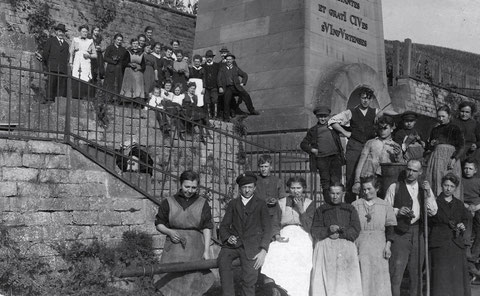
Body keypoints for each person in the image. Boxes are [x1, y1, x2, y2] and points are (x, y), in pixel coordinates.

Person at [154, 170, 215, 296]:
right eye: (187, 186)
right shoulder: (168, 202)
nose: (190, 190)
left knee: (193, 282)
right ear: (181, 184)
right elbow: (159, 224)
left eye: (193, 187)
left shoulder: (203, 203)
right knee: (171, 280)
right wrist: (169, 232)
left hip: (195, 248)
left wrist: (206, 250)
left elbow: (207, 227)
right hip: (173, 250)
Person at [384, 159, 438, 296]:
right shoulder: (394, 187)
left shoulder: (424, 188)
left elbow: (433, 211)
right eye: (408, 169)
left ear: (420, 172)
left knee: (416, 274)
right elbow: (384, 210)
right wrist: (397, 211)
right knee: (396, 273)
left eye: (414, 171)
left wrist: (429, 194)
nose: (410, 173)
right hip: (400, 233)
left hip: (418, 232)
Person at [218, 173, 273, 296]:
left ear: (254, 188)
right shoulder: (233, 204)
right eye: (244, 187)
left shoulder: (261, 204)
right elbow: (224, 226)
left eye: (249, 187)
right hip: (233, 245)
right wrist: (228, 237)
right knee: (223, 260)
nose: (247, 190)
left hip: (252, 247)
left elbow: (267, 229)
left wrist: (263, 250)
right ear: (239, 188)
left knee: (249, 281)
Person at [262, 176, 315, 296]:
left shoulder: (309, 203)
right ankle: (277, 285)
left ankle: (298, 291)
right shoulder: (281, 203)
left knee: (302, 253)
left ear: (304, 189)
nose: (296, 191)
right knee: (276, 249)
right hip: (285, 232)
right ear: (288, 189)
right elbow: (275, 223)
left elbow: (310, 227)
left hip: (303, 233)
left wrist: (301, 210)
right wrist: (276, 235)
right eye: (292, 188)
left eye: (299, 188)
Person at [310, 182, 362, 296]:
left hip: (345, 248)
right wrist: (328, 230)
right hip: (326, 249)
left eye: (338, 193)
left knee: (345, 281)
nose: (335, 196)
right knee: (327, 279)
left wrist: (341, 232)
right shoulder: (321, 209)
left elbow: (356, 229)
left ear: (343, 193)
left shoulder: (350, 209)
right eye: (332, 193)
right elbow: (315, 230)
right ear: (328, 193)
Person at [328, 89, 379, 203]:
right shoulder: (351, 112)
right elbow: (332, 121)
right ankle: (350, 206)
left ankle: (367, 204)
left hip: (370, 148)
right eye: (363, 97)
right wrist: (345, 133)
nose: (365, 100)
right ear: (360, 98)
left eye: (368, 98)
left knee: (369, 176)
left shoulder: (375, 112)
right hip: (354, 147)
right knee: (351, 177)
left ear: (371, 99)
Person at [352, 175, 397, 296]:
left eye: (369, 189)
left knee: (380, 277)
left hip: (379, 245)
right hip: (361, 244)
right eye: (364, 189)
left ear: (377, 188)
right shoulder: (355, 205)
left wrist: (387, 246)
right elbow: (351, 228)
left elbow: (390, 228)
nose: (366, 192)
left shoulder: (385, 205)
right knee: (363, 275)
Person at [429, 173, 471, 296]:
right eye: (446, 185)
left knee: (456, 277)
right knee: (441, 277)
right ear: (441, 186)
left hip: (455, 243)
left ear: (455, 188)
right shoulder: (434, 202)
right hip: (439, 243)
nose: (448, 188)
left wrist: (462, 225)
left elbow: (464, 219)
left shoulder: (459, 204)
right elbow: (430, 221)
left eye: (451, 186)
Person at [300, 105, 344, 202]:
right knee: (326, 183)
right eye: (320, 117)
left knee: (336, 182)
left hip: (335, 158)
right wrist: (312, 150)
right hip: (322, 159)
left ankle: (337, 203)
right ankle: (328, 204)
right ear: (317, 117)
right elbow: (303, 144)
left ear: (328, 116)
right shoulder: (313, 130)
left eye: (325, 116)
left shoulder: (334, 126)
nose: (323, 119)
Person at [352, 115, 403, 196]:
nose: (382, 131)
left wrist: (398, 155)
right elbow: (361, 162)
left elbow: (400, 167)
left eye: (385, 128)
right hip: (368, 179)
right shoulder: (370, 143)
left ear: (392, 129)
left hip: (385, 181)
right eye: (380, 128)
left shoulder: (396, 146)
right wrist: (357, 181)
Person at [425, 105, 465, 198]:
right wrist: (432, 144)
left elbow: (461, 145)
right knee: (436, 181)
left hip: (450, 159)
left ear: (449, 116)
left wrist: (454, 158)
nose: (441, 119)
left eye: (443, 116)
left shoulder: (455, 128)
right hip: (437, 159)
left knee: (450, 182)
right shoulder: (435, 130)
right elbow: (429, 147)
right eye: (439, 116)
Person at [217, 53, 259, 121]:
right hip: (227, 88)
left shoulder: (236, 68)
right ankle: (226, 118)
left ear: (233, 60)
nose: (228, 61)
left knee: (246, 95)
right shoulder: (222, 69)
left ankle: (252, 110)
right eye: (227, 59)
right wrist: (220, 87)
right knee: (226, 101)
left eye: (230, 59)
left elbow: (244, 75)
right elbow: (218, 79)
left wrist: (243, 83)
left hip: (236, 87)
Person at [42, 23, 70, 101]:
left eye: (63, 32)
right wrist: (49, 64)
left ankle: (57, 103)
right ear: (56, 32)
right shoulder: (51, 41)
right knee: (51, 85)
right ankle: (49, 101)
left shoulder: (66, 45)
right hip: (52, 67)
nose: (61, 33)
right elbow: (45, 54)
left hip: (62, 69)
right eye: (60, 31)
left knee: (60, 88)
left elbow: (66, 57)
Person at [462, 158, 480, 264]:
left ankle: (474, 255)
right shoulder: (460, 180)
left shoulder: (478, 181)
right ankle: (467, 252)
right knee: (466, 229)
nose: (467, 170)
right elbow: (458, 197)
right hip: (464, 207)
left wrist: (476, 207)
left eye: (470, 168)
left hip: (477, 207)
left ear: (475, 170)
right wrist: (467, 207)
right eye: (465, 168)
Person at [120, 38, 146, 103]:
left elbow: (143, 64)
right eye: (134, 43)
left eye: (136, 43)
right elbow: (123, 62)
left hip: (138, 72)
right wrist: (130, 65)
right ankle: (127, 101)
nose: (135, 45)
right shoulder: (127, 52)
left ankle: (137, 102)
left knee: (138, 87)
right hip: (129, 71)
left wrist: (139, 68)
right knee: (129, 86)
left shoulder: (141, 53)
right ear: (131, 44)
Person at [203, 50, 220, 119]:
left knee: (215, 100)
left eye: (210, 57)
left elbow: (219, 76)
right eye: (207, 57)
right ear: (206, 58)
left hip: (214, 86)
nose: (209, 58)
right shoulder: (203, 66)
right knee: (207, 101)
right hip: (206, 87)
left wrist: (220, 86)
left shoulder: (217, 65)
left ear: (212, 58)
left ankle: (215, 115)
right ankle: (209, 115)